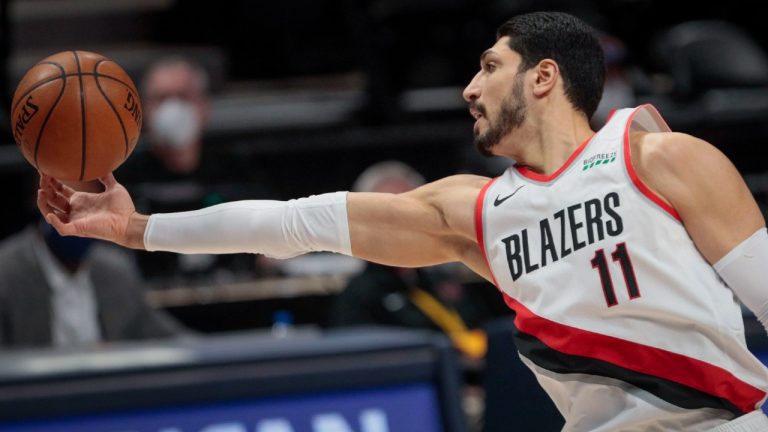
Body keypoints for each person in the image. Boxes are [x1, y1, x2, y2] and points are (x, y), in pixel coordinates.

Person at [37, 11, 768, 431]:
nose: (468, 87)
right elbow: (297, 223)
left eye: (489, 66)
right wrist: (139, 231)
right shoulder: (478, 213)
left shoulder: (662, 158)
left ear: (544, 76)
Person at [331, 161, 489, 359]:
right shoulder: (358, 296)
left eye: (409, 214)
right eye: (389, 215)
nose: (402, 225)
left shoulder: (441, 280)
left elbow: (480, 327)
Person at [0, 182, 187, 349]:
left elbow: (167, 336)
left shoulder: (116, 270)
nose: (74, 221)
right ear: (40, 202)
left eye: (85, 211)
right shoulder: (7, 272)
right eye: (64, 207)